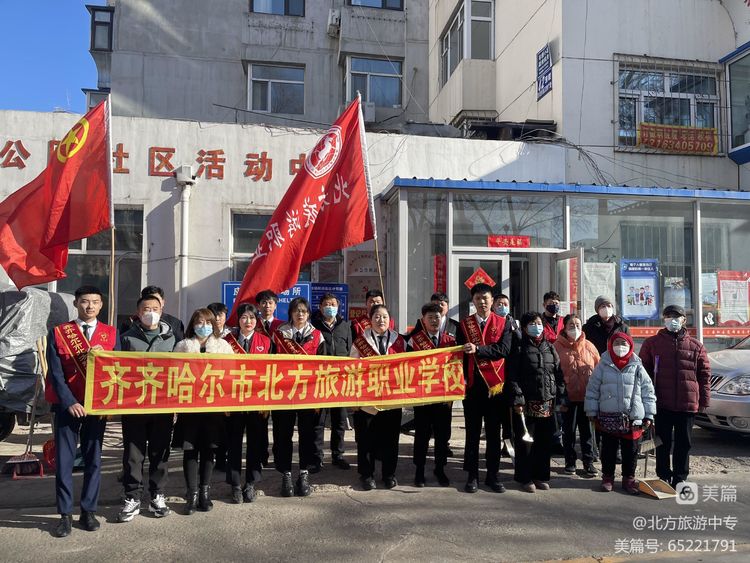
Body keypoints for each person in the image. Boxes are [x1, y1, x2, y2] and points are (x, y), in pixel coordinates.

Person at [46, 286, 120, 537]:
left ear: (101, 305)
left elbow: (117, 371)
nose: (90, 306)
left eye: (95, 302)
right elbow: (56, 373)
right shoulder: (60, 332)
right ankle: (65, 514)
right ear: (76, 303)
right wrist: (70, 402)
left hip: (96, 406)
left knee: (93, 460)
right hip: (67, 405)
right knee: (64, 462)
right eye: (85, 301)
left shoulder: (111, 334)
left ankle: (88, 511)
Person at [117, 295, 176, 522]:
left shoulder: (172, 338)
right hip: (134, 406)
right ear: (138, 312)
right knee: (133, 454)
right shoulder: (126, 338)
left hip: (163, 406)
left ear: (161, 310)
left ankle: (157, 495)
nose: (150, 312)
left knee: (160, 452)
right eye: (145, 309)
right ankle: (132, 497)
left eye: (155, 308)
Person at [639, 304, 711, 488]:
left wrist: (704, 399)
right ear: (664, 320)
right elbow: (643, 373)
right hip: (661, 403)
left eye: (677, 316)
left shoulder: (696, 346)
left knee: (683, 443)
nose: (673, 320)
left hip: (687, 404)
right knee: (661, 442)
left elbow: (704, 375)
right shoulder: (652, 344)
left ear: (684, 320)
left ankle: (680, 477)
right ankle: (663, 475)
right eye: (669, 316)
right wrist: (644, 400)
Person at [174, 308, 234, 514]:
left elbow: (231, 375)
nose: (204, 326)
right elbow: (173, 376)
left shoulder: (223, 346)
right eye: (199, 322)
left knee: (209, 450)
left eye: (208, 322)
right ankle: (191, 494)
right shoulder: (182, 346)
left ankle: (205, 493)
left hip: (213, 407)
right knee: (190, 450)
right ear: (193, 324)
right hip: (189, 407)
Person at [458, 283, 513, 494]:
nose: (482, 302)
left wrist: (479, 349)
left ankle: (493, 475)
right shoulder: (465, 325)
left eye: (486, 298)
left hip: (495, 388)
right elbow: (459, 356)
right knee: (472, 435)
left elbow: (504, 350)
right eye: (478, 298)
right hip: (472, 388)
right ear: (473, 301)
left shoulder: (503, 323)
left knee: (493, 434)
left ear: (492, 300)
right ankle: (472, 476)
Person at [585, 332, 656, 493]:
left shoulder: (637, 366)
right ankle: (607, 478)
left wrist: (649, 414)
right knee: (608, 450)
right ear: (610, 346)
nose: (620, 347)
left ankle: (629, 479)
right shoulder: (603, 365)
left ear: (630, 345)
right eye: (616, 343)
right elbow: (592, 390)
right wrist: (591, 410)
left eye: (623, 343)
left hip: (633, 417)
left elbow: (648, 392)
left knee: (631, 451)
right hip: (608, 416)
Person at [271, 297, 325, 497]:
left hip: (308, 394)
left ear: (308, 314)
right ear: (290, 314)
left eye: (303, 311)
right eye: (296, 311)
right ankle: (285, 473)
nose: (300, 314)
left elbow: (324, 367)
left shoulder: (317, 336)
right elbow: (269, 365)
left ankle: (304, 473)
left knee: (307, 434)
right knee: (283, 434)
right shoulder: (279, 335)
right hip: (283, 393)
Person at [507, 312, 566, 493]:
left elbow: (558, 373)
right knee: (525, 443)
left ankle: (541, 476)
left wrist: (560, 395)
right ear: (525, 328)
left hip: (547, 402)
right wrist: (518, 398)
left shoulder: (550, 347)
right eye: (532, 323)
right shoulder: (519, 348)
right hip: (526, 403)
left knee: (544, 442)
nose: (536, 326)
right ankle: (525, 478)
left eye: (539, 323)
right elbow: (512, 376)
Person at [351, 304, 406, 490]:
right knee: (366, 439)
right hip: (368, 399)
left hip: (392, 399)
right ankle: (367, 475)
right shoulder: (361, 342)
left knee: (391, 439)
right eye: (377, 317)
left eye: (384, 317)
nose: (381, 320)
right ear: (370, 320)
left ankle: (389, 474)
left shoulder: (399, 341)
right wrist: (355, 398)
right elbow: (353, 370)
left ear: (390, 320)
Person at [223, 302, 271, 503]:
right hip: (233, 400)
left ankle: (251, 482)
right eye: (244, 317)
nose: (248, 321)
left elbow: (271, 373)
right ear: (238, 320)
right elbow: (221, 372)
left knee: (255, 443)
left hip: (257, 401)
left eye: (252, 317)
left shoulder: (266, 341)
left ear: (256, 320)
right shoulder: (227, 342)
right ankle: (235, 484)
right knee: (233, 443)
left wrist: (267, 403)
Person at [407, 302, 456, 487]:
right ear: (423, 320)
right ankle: (419, 471)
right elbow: (409, 368)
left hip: (443, 398)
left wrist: (452, 395)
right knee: (422, 435)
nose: (434, 321)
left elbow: (455, 369)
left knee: (442, 436)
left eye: (437, 317)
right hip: (423, 397)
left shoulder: (450, 341)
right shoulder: (414, 341)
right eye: (430, 317)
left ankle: (440, 469)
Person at [553, 313, 600, 477]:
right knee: (569, 432)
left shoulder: (589, 346)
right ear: (565, 328)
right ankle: (570, 462)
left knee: (587, 433)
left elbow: (598, 368)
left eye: (578, 325)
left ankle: (588, 462)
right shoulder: (556, 347)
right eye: (571, 325)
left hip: (587, 398)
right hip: (567, 398)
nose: (575, 328)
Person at [311, 293, 352, 472]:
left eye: (333, 304)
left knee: (339, 420)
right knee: (318, 421)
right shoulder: (313, 326)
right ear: (320, 307)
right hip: (320, 380)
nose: (330, 307)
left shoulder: (346, 326)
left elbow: (350, 351)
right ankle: (317, 458)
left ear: (338, 306)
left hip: (340, 380)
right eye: (326, 304)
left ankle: (338, 455)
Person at [120, 285, 185, 342]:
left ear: (163, 302)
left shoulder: (175, 323)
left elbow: (179, 347)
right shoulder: (130, 323)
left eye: (157, 300)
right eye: (149, 299)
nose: (152, 303)